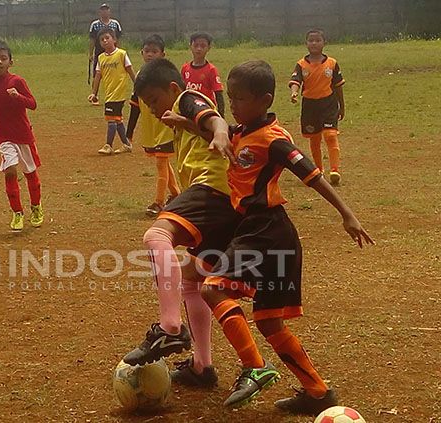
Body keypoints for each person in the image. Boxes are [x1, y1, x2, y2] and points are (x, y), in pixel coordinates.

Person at [199, 60, 373, 414]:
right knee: (268, 321)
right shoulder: (239, 131)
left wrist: (347, 214)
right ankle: (318, 392)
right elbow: (204, 119)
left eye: (240, 99)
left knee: (211, 287)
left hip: (267, 230)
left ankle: (255, 366)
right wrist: (189, 122)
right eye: (230, 98)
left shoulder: (274, 139)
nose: (233, 105)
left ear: (264, 100)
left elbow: (312, 175)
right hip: (263, 232)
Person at [121, 58, 242, 389]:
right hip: (221, 198)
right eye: (147, 106)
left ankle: (170, 329)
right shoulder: (180, 114)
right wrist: (184, 124)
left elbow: (215, 119)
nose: (154, 110)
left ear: (172, 89)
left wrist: (220, 133)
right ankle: (202, 368)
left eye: (154, 101)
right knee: (193, 278)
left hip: (213, 188)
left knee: (156, 235)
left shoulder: (189, 97)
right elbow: (200, 126)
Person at [0, 40, 44, 232]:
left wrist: (18, 97)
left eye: (3, 59)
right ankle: (17, 212)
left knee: (30, 173)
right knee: (10, 170)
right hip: (4, 137)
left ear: (10, 62)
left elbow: (32, 104)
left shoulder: (17, 82)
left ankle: (36, 207)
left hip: (23, 135)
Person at [125, 34, 180, 217]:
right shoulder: (141, 76)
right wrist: (130, 131)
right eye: (147, 51)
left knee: (160, 162)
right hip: (150, 127)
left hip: (165, 125)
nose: (150, 55)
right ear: (141, 53)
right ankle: (176, 194)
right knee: (162, 161)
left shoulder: (166, 77)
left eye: (154, 51)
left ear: (163, 54)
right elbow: (134, 104)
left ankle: (158, 202)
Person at [289, 28, 346, 185]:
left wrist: (342, 106)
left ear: (324, 43)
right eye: (311, 40)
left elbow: (338, 87)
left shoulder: (332, 64)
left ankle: (335, 170)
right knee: (314, 139)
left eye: (317, 40)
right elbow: (296, 81)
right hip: (310, 106)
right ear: (306, 43)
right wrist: (294, 93)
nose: (314, 43)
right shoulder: (301, 64)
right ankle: (318, 171)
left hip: (328, 104)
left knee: (330, 135)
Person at [89, 28, 136, 155]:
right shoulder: (101, 58)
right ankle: (126, 144)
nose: (105, 41)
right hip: (109, 93)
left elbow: (130, 71)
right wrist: (94, 93)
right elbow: (98, 76)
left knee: (111, 120)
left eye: (107, 38)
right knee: (117, 120)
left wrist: (138, 85)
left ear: (114, 39)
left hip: (118, 93)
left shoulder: (121, 54)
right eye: (102, 39)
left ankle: (108, 145)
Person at [181, 32, 225, 117]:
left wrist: (221, 115)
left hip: (206, 111)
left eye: (203, 46)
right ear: (190, 46)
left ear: (208, 48)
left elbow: (218, 94)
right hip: (189, 109)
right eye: (196, 45)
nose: (199, 49)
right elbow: (181, 91)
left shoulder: (211, 70)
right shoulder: (185, 68)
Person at [88, 2, 123, 97]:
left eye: (106, 10)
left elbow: (118, 38)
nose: (105, 12)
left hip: (113, 52)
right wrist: (90, 53)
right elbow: (92, 40)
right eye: (103, 10)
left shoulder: (115, 24)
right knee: (97, 74)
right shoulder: (95, 25)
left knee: (114, 73)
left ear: (109, 11)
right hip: (99, 52)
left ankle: (115, 93)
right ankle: (94, 94)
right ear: (100, 12)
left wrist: (119, 50)